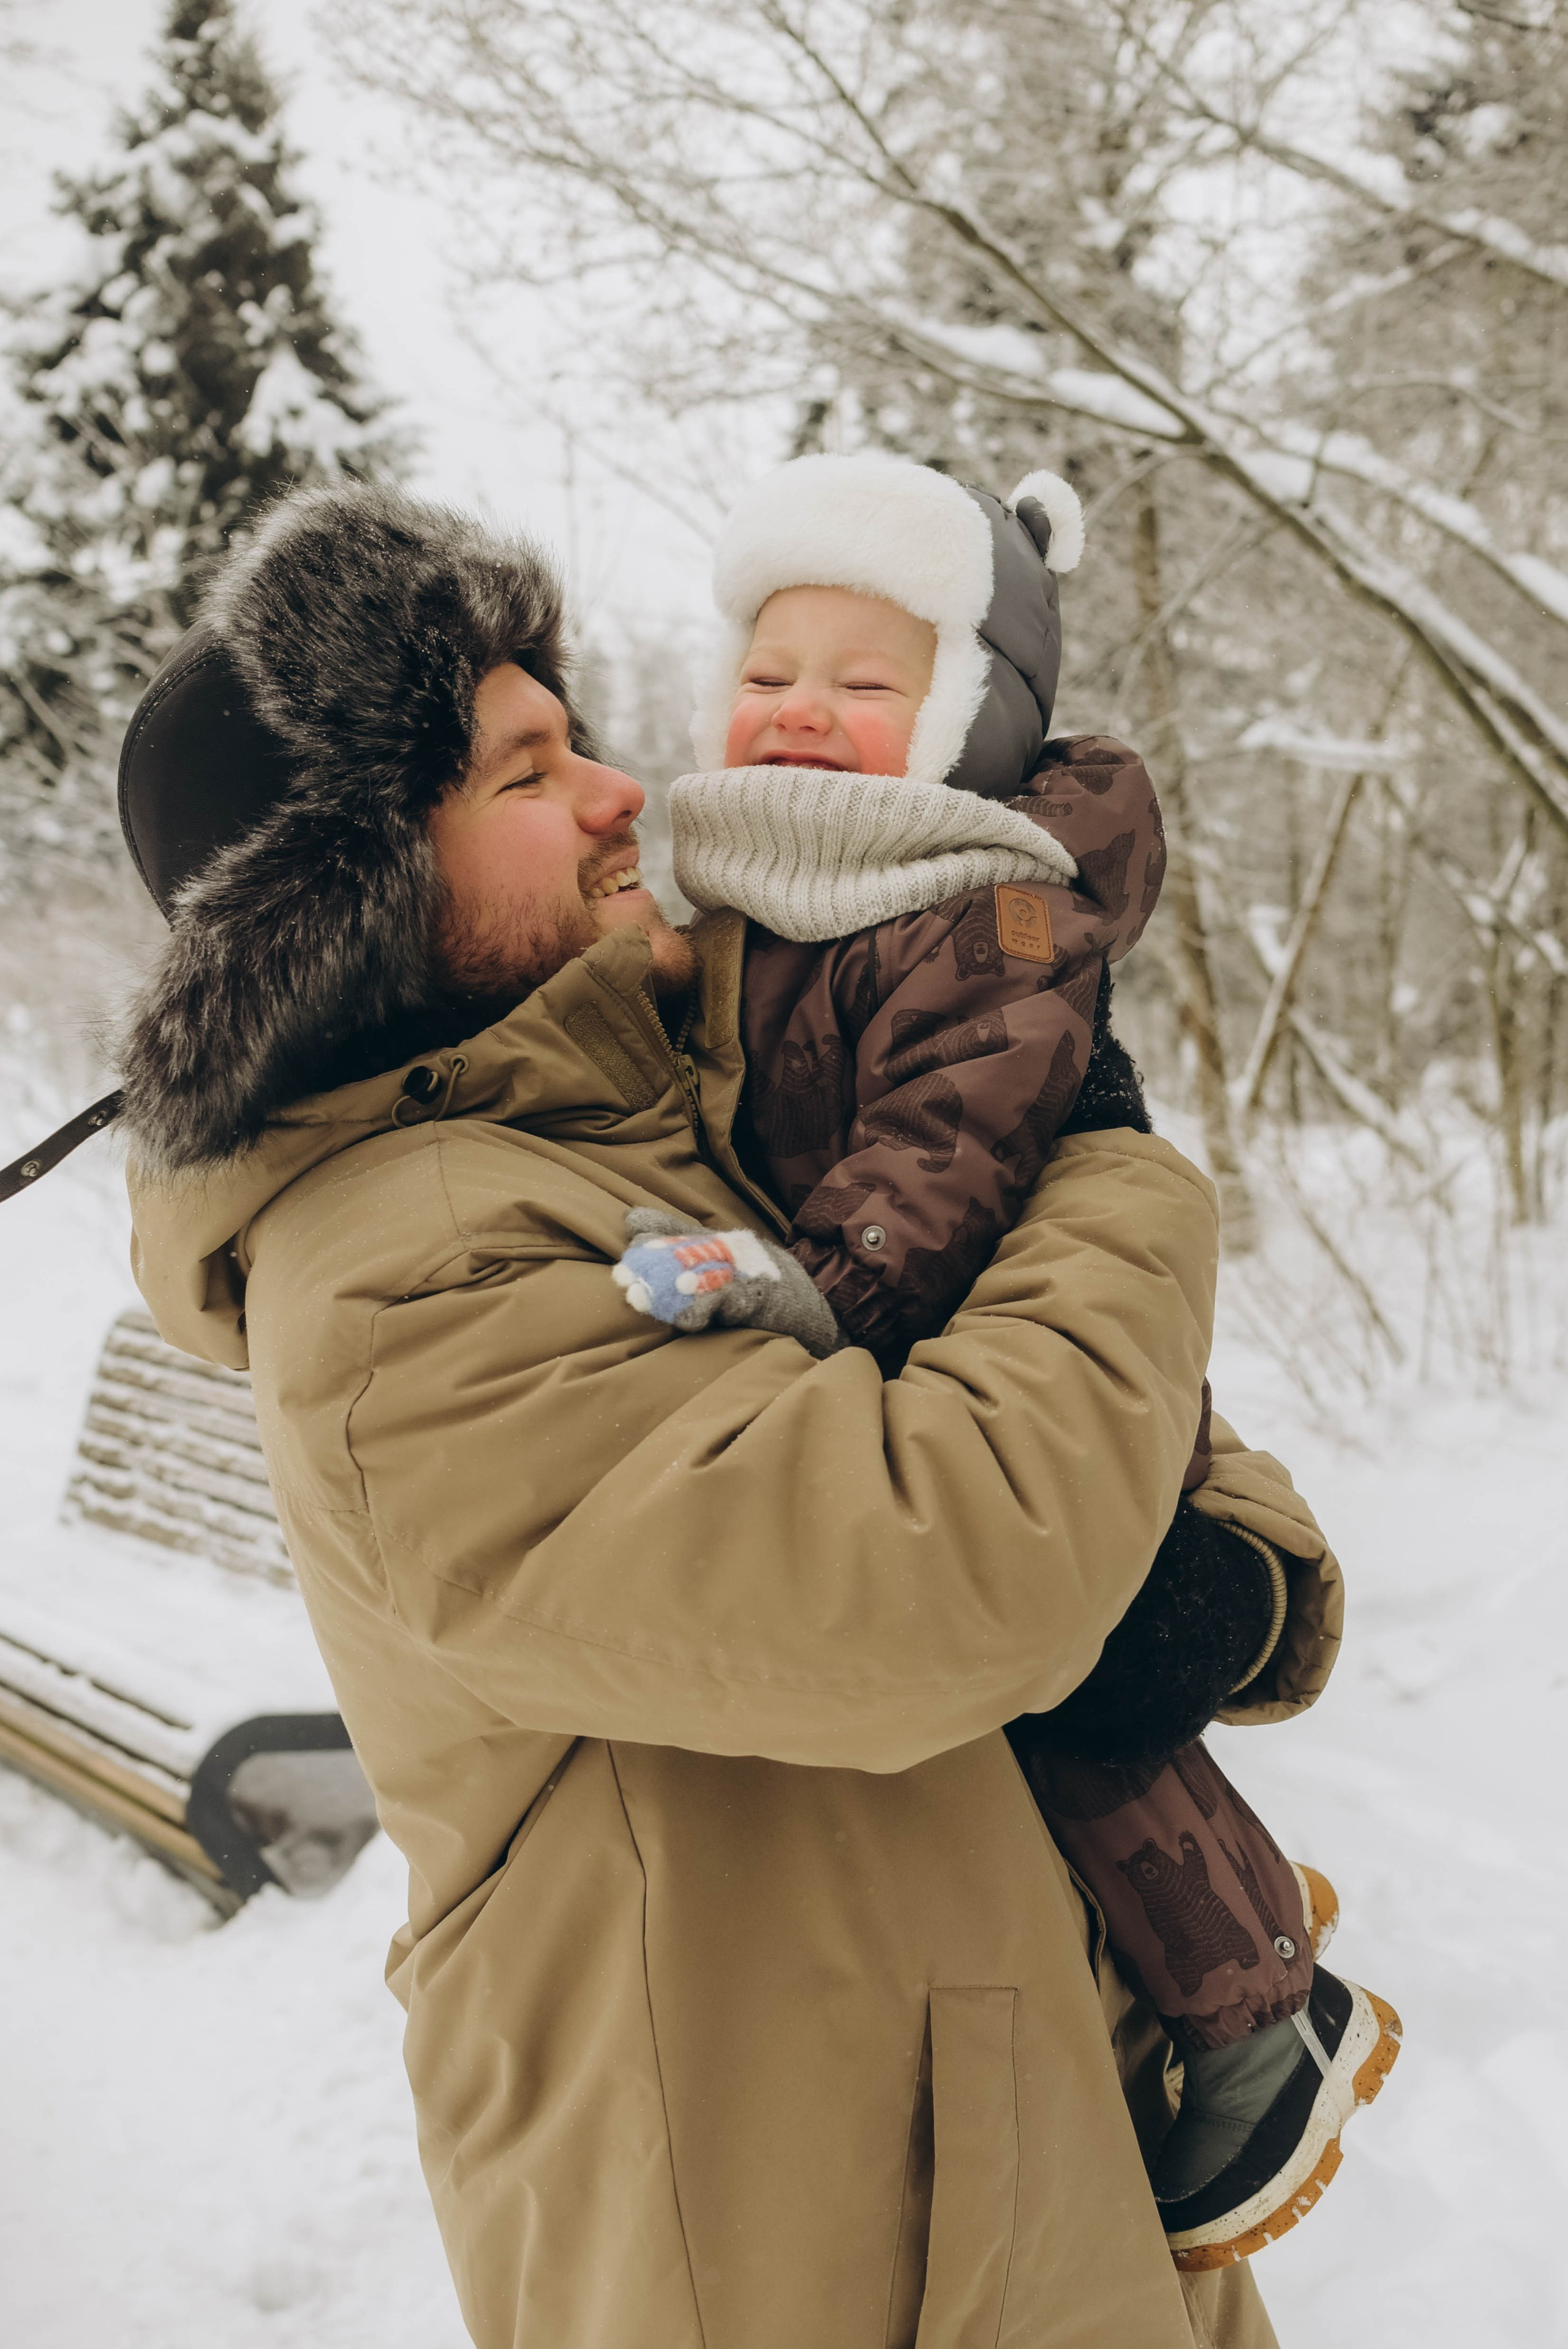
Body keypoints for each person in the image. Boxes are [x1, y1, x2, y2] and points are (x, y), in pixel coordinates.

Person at [116, 478, 1344, 2349]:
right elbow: (953, 1576)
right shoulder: (408, 1282)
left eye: (584, 738)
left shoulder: (640, 1122)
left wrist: (1223, 1558)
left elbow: (1025, 1393)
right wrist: (1105, 1158)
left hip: (1020, 2158)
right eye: (530, 774)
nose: (623, 792)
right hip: (808, 2245)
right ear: (357, 907)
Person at [610, 452, 1400, 2266]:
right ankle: (1208, 1931)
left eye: (866, 681)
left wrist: (819, 1286)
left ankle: (1260, 2004)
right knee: (993, 1712)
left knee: (1065, 1683)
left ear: (971, 714)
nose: (800, 707)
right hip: (886, 1352)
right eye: (768, 669)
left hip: (1000, 1358)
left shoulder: (993, 908)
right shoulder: (746, 881)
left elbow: (950, 1140)